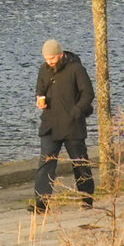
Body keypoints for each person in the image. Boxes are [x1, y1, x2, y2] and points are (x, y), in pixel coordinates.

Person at [31, 38, 95, 212]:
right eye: (47, 59)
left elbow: (88, 93)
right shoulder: (44, 70)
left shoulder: (76, 69)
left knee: (79, 162)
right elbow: (40, 90)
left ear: (60, 54)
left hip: (72, 124)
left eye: (52, 58)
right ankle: (41, 203)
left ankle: (86, 198)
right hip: (50, 123)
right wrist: (39, 100)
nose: (49, 62)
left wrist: (76, 111)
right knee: (46, 162)